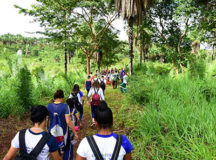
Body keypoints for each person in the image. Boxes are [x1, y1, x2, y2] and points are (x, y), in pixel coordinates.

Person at [47, 89, 78, 160]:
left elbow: (47, 120)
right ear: (62, 98)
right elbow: (68, 121)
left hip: (52, 132)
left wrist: (47, 130)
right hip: (64, 133)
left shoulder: (48, 106)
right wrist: (75, 132)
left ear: (54, 98)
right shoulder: (65, 106)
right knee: (67, 148)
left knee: (55, 149)